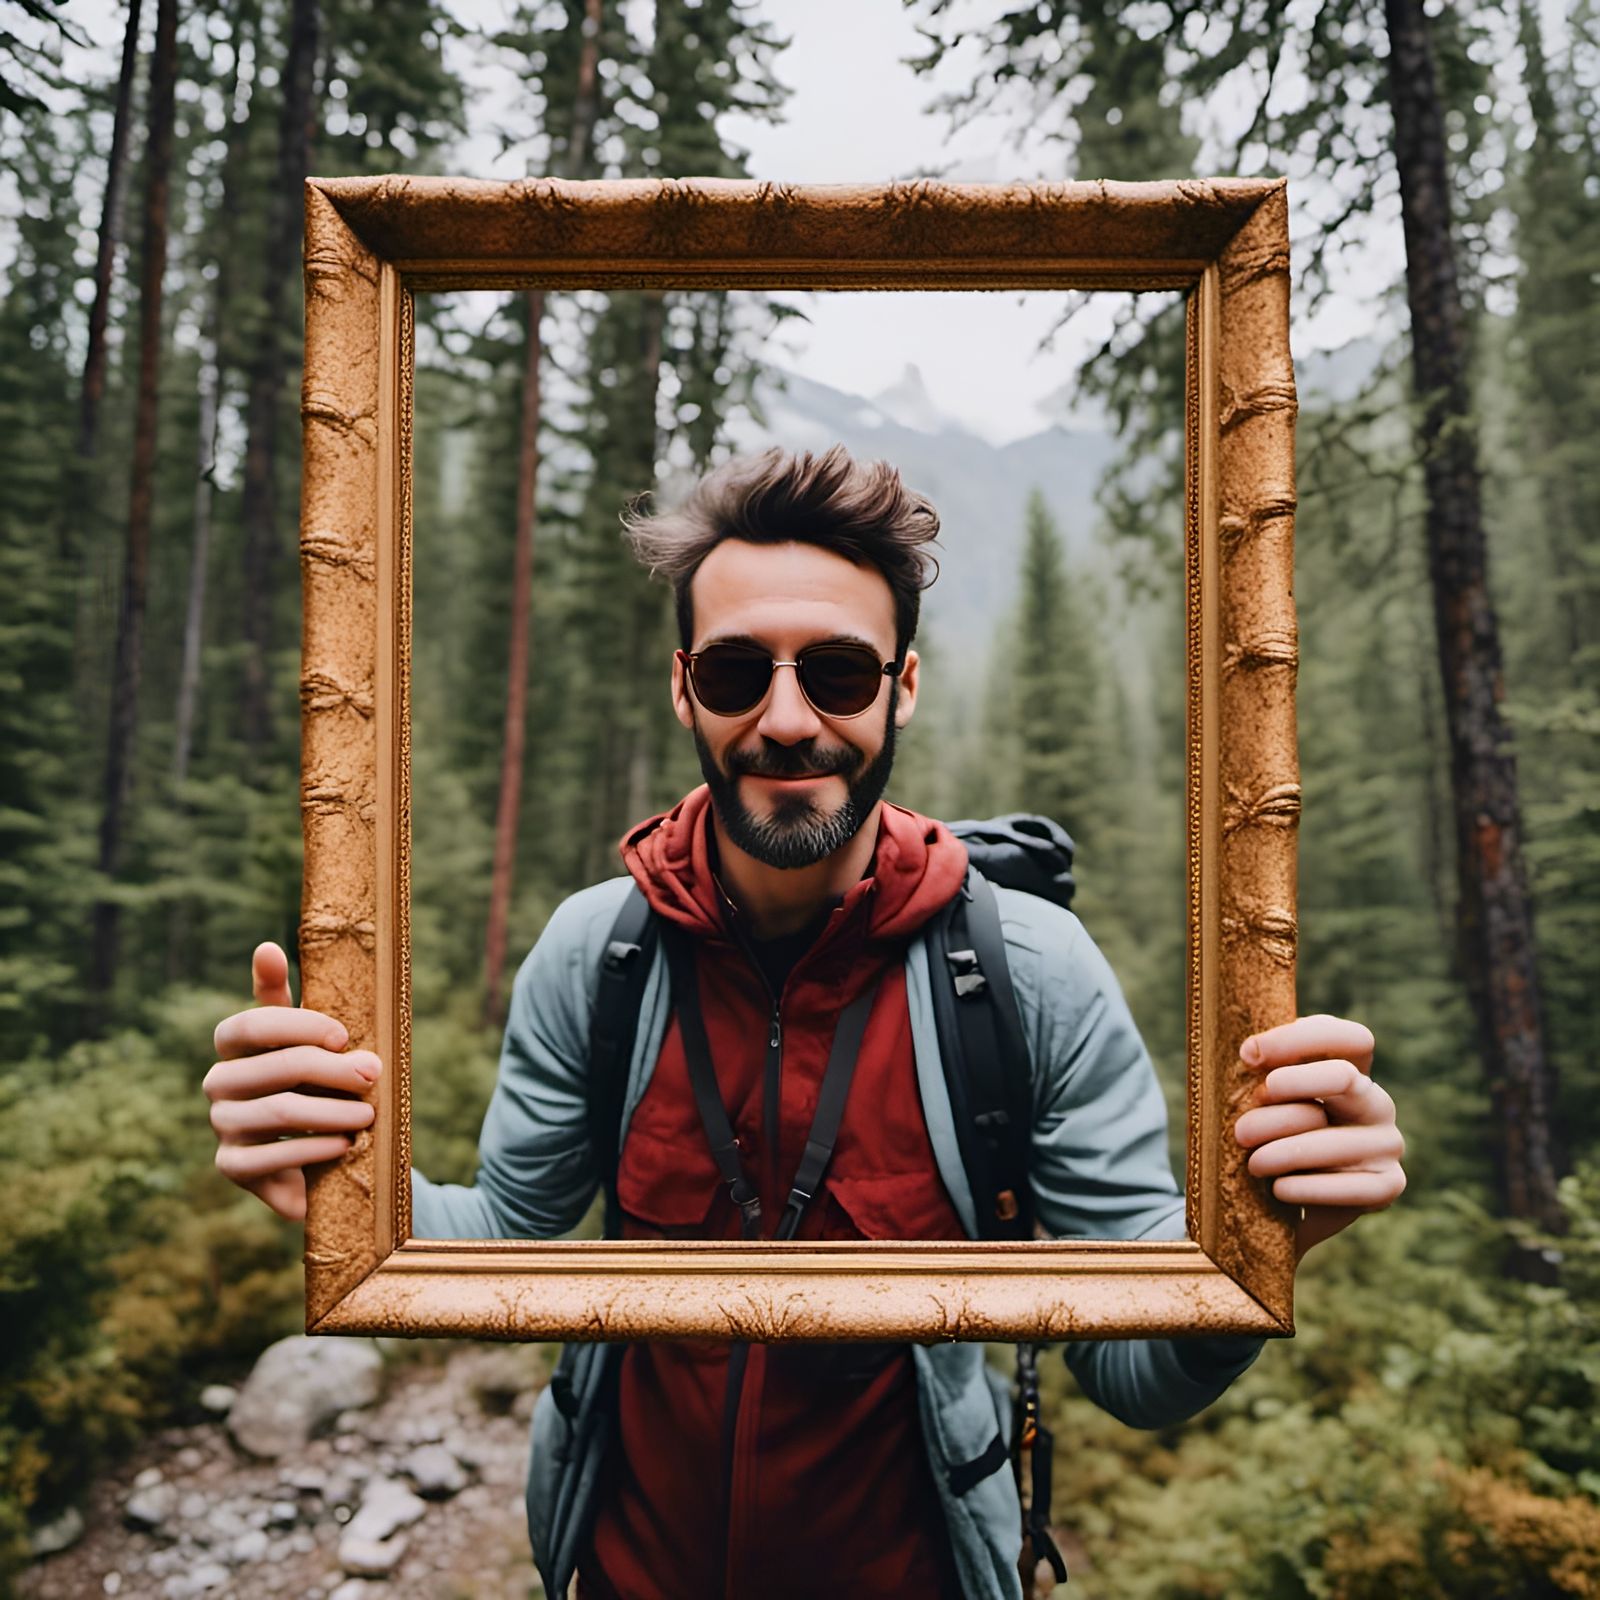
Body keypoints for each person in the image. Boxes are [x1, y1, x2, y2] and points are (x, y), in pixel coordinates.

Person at [207, 444, 1407, 1600]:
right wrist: (352, 1194)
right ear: (684, 685)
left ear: (905, 686)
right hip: (620, 1573)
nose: (785, 720)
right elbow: (504, 1238)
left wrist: (1261, 1239)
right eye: (736, 672)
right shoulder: (598, 954)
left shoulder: (1024, 972)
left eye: (836, 671)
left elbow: (1133, 1369)